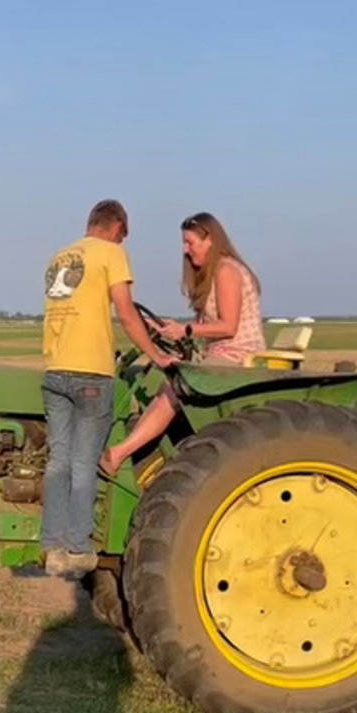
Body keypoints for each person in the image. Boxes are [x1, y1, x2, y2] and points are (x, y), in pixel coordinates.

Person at [41, 199, 175, 578]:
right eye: (124, 234)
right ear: (117, 226)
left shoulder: (60, 257)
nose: (124, 240)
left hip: (55, 370)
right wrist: (155, 354)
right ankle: (80, 549)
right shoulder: (112, 253)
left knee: (58, 461)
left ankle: (52, 546)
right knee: (85, 463)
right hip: (91, 373)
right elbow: (126, 311)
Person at [100, 212, 265, 476]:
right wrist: (168, 330)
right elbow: (208, 329)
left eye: (190, 243)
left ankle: (118, 454)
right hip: (219, 353)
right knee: (165, 378)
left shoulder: (226, 270)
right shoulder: (214, 274)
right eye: (184, 244)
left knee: (176, 385)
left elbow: (228, 326)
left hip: (238, 356)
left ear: (209, 239)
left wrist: (185, 329)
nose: (186, 251)